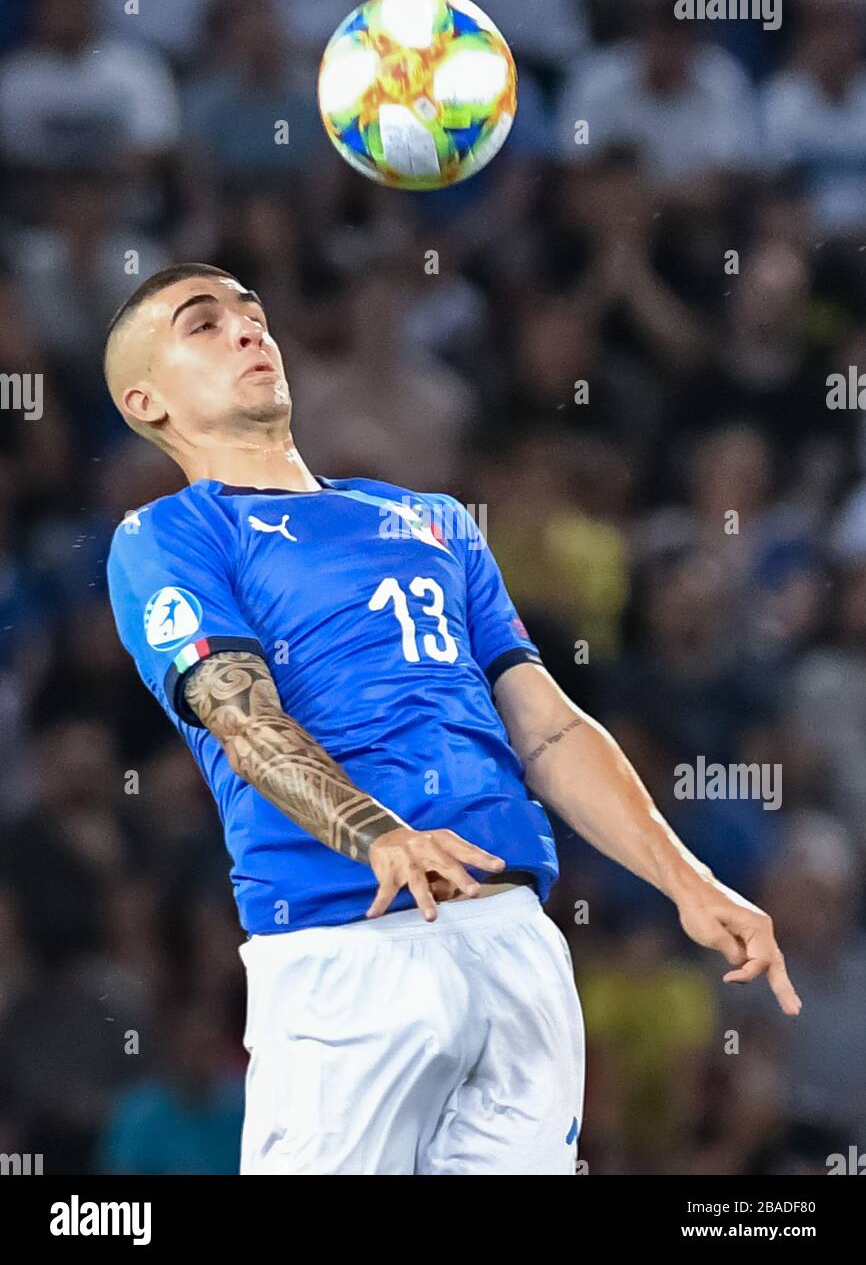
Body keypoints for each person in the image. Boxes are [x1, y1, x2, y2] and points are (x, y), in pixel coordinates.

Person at [103, 263, 800, 1176]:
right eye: (205, 323)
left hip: (515, 944)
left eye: (255, 314)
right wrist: (381, 834)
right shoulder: (169, 535)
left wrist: (687, 881)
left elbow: (546, 729)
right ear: (146, 400)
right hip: (346, 941)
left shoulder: (432, 519)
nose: (248, 332)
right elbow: (244, 718)